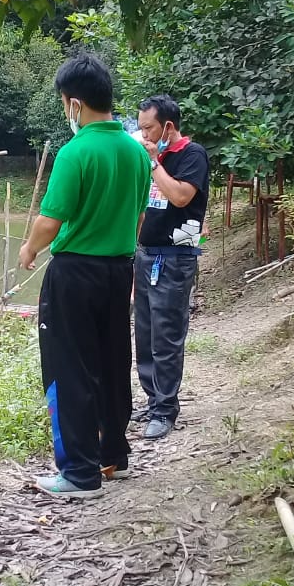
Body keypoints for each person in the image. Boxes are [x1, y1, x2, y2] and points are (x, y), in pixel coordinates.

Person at [18, 53, 150, 498]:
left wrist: (29, 247)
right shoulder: (136, 152)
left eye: (62, 104)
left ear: (74, 103)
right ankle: (113, 455)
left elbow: (50, 220)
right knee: (112, 362)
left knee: (69, 368)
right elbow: (136, 217)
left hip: (74, 273)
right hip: (119, 270)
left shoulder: (76, 153)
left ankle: (78, 472)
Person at [130, 95, 209, 440]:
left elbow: (180, 197)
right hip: (146, 255)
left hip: (175, 258)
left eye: (148, 128)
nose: (143, 134)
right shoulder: (154, 158)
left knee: (166, 335)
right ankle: (152, 400)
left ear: (168, 127)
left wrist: (152, 163)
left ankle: (165, 409)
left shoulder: (192, 155)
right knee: (145, 335)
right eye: (141, 128)